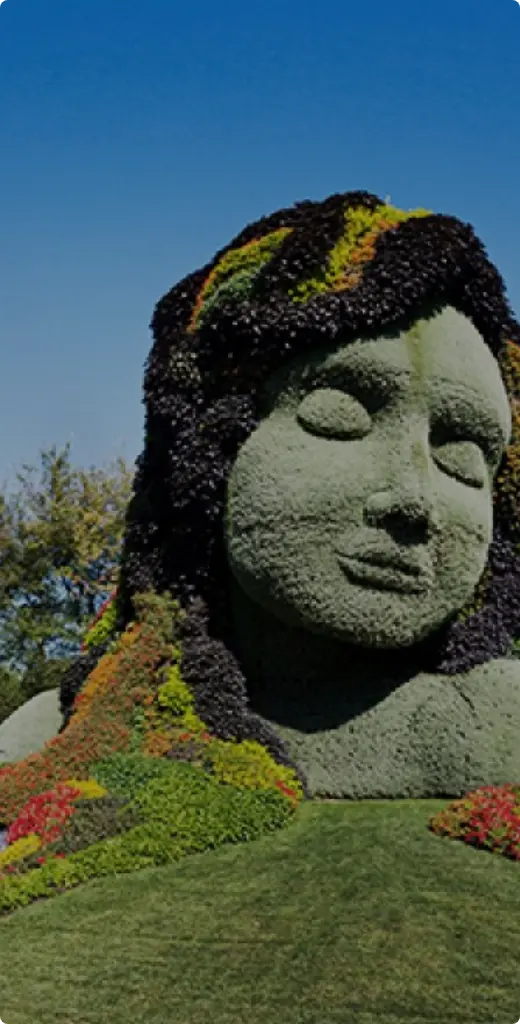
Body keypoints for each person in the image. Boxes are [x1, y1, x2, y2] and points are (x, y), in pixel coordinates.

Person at [117, 191, 520, 797]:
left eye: (462, 457)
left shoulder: (498, 720)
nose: (414, 499)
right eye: (338, 416)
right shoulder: (91, 724)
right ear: (212, 451)